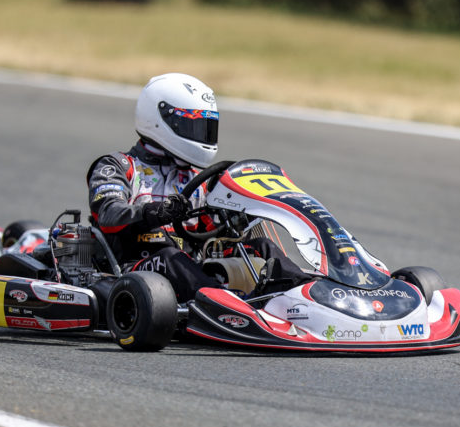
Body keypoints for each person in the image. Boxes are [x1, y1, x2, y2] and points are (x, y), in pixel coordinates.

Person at [87, 72, 309, 303]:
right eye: (192, 125)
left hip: (194, 267)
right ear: (160, 119)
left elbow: (210, 233)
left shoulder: (198, 180)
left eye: (205, 126)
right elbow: (109, 215)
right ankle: (222, 305)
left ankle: (306, 298)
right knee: (171, 257)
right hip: (136, 267)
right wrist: (157, 212)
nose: (201, 135)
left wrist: (232, 217)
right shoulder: (118, 166)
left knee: (261, 246)